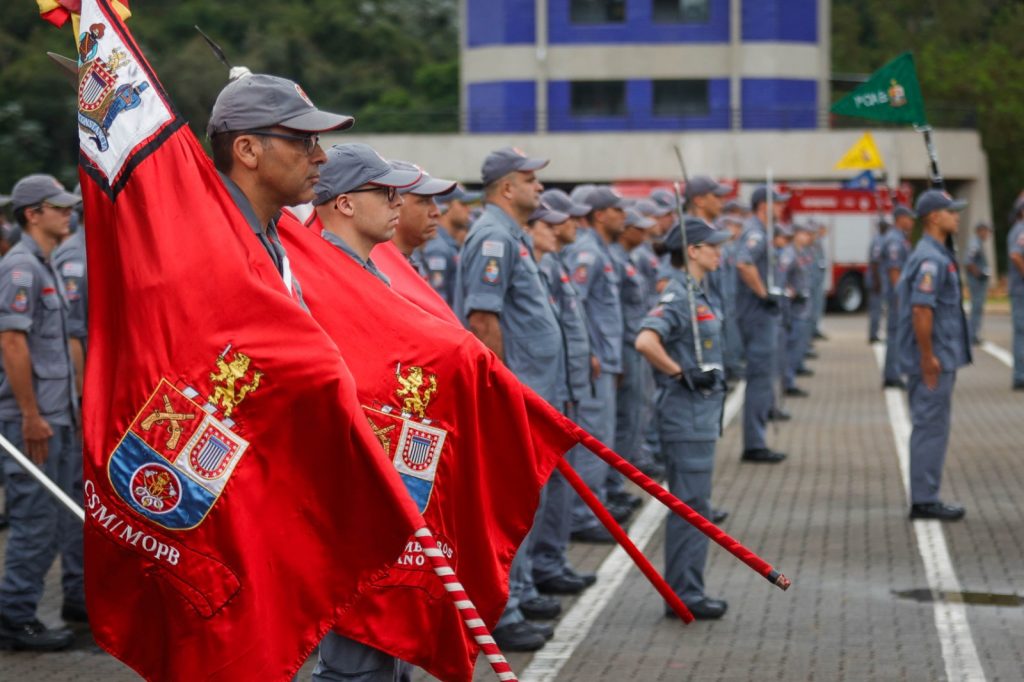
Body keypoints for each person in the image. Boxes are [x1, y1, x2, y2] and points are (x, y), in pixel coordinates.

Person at [456, 146, 563, 651]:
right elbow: (482, 320)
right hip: (514, 392)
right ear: (505, 187)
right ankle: (504, 608)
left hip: (531, 390)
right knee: (510, 501)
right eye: (529, 178)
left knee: (525, 499)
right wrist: (502, 390)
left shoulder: (510, 236)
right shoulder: (493, 238)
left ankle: (517, 593)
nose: (538, 187)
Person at [0, 174, 82, 650]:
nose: (68, 213)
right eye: (59, 207)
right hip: (34, 419)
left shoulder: (42, 263)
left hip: (55, 414)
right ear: (33, 214)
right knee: (34, 521)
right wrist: (30, 414)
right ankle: (14, 617)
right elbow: (11, 342)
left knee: (49, 520)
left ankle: (18, 610)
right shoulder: (20, 268)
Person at [636, 217, 730, 620]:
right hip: (685, 417)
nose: (719, 251)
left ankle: (684, 590)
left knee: (694, 505)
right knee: (692, 507)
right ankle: (685, 594)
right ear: (693, 251)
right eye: (712, 245)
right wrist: (680, 372)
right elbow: (645, 339)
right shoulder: (679, 296)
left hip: (697, 418)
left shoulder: (697, 293)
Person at [207, 72, 353, 308]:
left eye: (315, 140)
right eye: (304, 141)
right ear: (248, 150)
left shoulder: (263, 234)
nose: (321, 156)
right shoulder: (213, 252)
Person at [524, 201, 596, 596]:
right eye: (549, 223)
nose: (559, 229)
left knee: (558, 487)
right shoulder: (527, 262)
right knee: (537, 490)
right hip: (539, 391)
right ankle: (532, 576)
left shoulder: (550, 265)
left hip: (562, 388)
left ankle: (549, 562)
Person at [897, 190, 971, 521]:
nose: (957, 215)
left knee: (932, 425)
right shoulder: (931, 259)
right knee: (930, 426)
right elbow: (921, 311)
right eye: (950, 211)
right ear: (933, 217)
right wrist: (928, 357)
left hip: (938, 354)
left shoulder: (935, 254)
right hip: (932, 359)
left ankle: (926, 494)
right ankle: (925, 499)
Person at [564, 186, 629, 541]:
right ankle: (582, 517)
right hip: (596, 362)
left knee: (602, 435)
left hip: (606, 358)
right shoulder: (587, 252)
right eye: (618, 209)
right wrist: (590, 353)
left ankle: (596, 505)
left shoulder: (598, 249)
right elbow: (578, 306)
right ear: (601, 214)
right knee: (593, 437)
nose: (625, 216)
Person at [610, 208, 664, 493]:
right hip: (625, 348)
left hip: (636, 344)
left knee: (637, 413)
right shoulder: (614, 259)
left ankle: (617, 484)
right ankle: (612, 486)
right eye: (638, 228)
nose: (644, 233)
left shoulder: (631, 257)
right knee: (626, 417)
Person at [734, 186, 789, 463]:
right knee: (759, 378)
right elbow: (743, 263)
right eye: (778, 203)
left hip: (759, 314)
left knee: (763, 378)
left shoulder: (762, 231)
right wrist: (763, 293)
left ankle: (757, 438)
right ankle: (754, 443)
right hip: (757, 315)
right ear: (763, 206)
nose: (782, 208)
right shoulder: (756, 232)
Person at [388, 161, 456, 277]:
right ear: (394, 204)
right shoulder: (381, 269)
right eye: (424, 201)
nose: (436, 212)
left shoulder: (406, 261)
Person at [424, 185, 481, 306]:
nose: (469, 210)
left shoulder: (449, 244)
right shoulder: (438, 248)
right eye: (463, 204)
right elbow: (438, 300)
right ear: (446, 206)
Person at [881, 206, 915, 389]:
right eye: (909, 218)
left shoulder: (900, 237)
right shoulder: (894, 239)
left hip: (897, 294)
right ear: (900, 218)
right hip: (897, 295)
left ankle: (892, 373)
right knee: (895, 335)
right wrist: (900, 296)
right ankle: (892, 375)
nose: (911, 221)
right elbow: (894, 270)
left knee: (895, 334)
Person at [964, 222, 991, 346]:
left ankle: (974, 334)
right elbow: (968, 261)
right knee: (976, 308)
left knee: (977, 308)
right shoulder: (975, 243)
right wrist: (979, 274)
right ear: (980, 230)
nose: (987, 234)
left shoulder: (977, 242)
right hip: (976, 282)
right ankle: (972, 335)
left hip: (978, 281)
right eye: (985, 231)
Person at [1009, 197, 1024, 390]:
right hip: (1021, 290)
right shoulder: (1021, 229)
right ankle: (1020, 375)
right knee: (1022, 332)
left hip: (1018, 290)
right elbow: (1015, 254)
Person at [867, 220, 889, 343]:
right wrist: (877, 281)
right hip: (877, 280)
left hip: (879, 279)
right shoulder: (879, 241)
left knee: (878, 308)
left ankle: (874, 333)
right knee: (875, 308)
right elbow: (875, 263)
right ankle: (873, 335)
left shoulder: (881, 239)